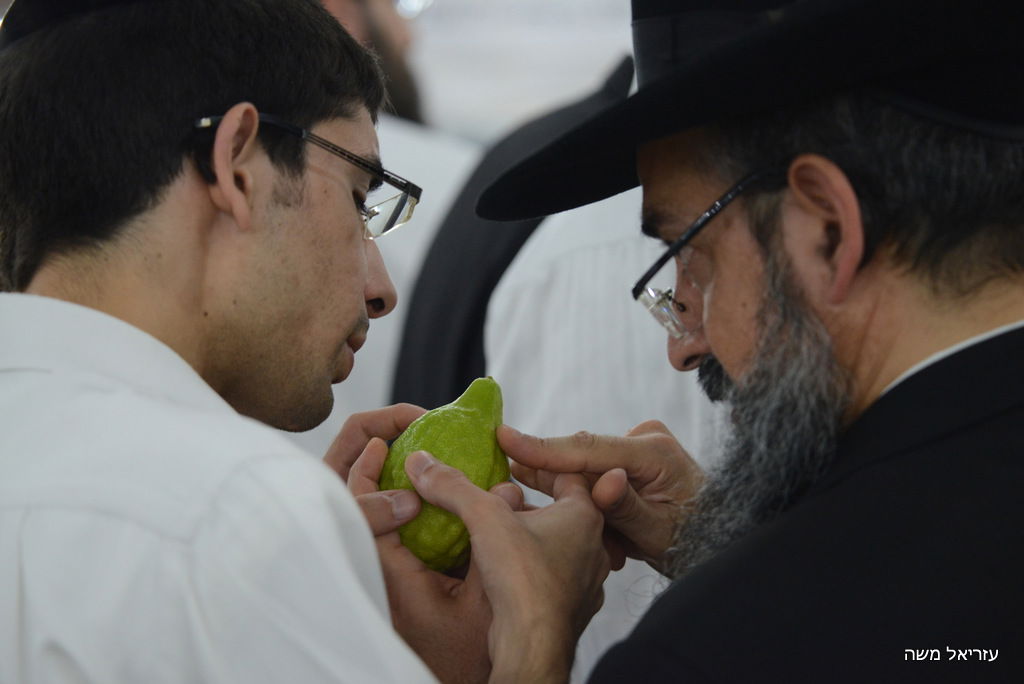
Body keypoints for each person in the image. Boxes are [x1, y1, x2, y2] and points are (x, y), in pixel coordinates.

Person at [0, 1, 609, 682]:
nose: (382, 288)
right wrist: (534, 636)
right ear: (237, 166)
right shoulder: (235, 520)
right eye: (359, 197)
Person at [468, 0, 1024, 680]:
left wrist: (531, 642)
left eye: (691, 253)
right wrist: (728, 554)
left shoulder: (714, 650)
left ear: (827, 231)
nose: (683, 345)